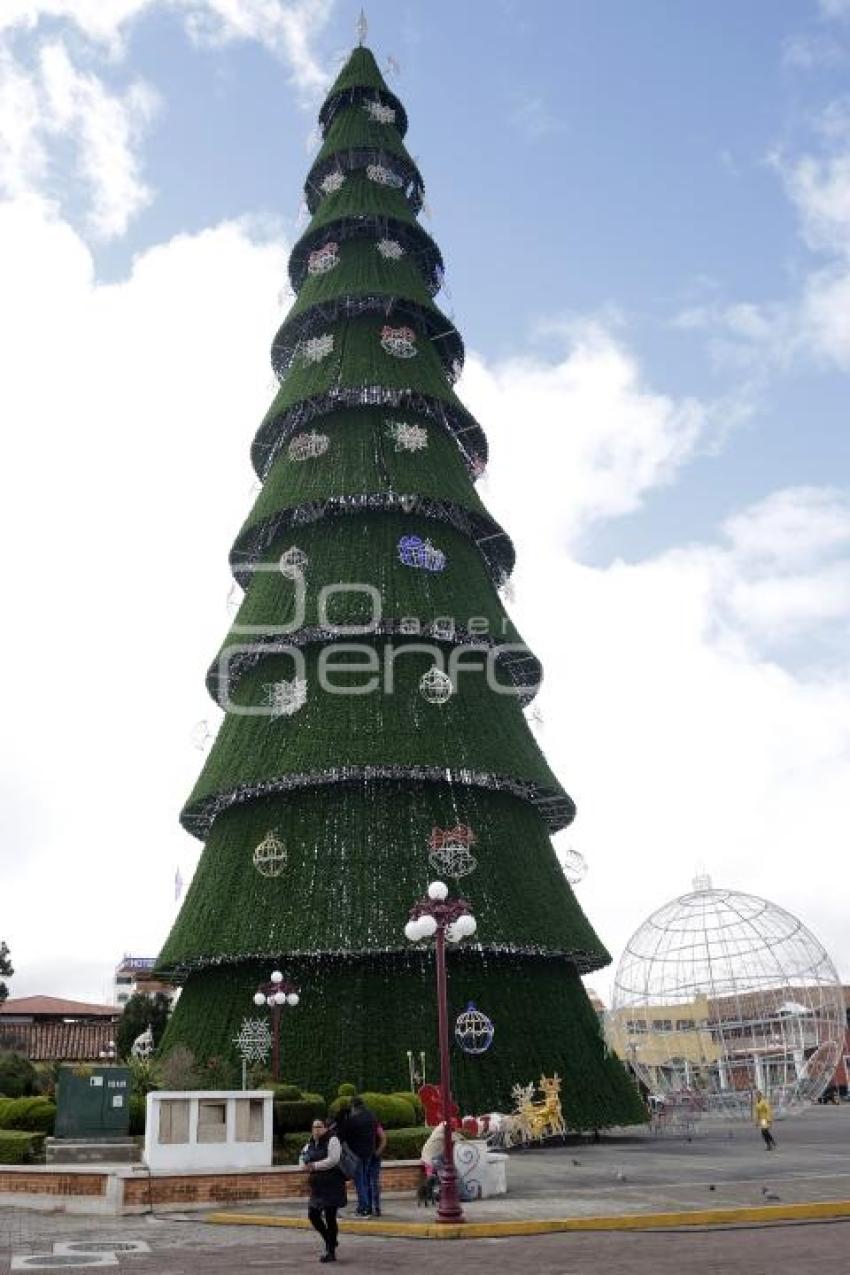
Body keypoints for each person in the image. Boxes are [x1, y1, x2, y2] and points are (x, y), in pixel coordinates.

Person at [301, 1118, 346, 1263]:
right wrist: (304, 1164)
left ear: (325, 1128)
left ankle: (330, 1252)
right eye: (314, 1127)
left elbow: (333, 1160)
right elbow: (302, 1157)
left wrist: (314, 1166)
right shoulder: (310, 1143)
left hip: (332, 1184)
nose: (316, 1130)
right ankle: (330, 1240)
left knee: (330, 1217)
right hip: (318, 1186)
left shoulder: (333, 1140)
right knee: (313, 1214)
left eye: (319, 1127)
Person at [337, 1095, 377, 1216]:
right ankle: (369, 1206)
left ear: (353, 1106)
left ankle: (363, 1207)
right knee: (366, 1180)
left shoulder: (353, 1120)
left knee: (359, 1181)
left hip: (357, 1154)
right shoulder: (371, 1116)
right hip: (369, 1152)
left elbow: (342, 1135)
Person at [368, 1120, 387, 1217]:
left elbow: (383, 1139)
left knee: (372, 1182)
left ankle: (374, 1207)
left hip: (371, 1157)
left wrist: (377, 1153)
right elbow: (383, 1139)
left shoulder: (374, 1124)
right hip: (371, 1156)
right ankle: (374, 1207)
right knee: (372, 1182)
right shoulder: (374, 1123)